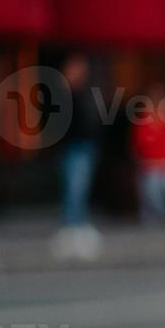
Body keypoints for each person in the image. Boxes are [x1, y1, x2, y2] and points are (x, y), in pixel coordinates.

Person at [52, 53, 104, 262]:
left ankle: (77, 229)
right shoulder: (61, 94)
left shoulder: (83, 92)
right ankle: (71, 230)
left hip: (84, 147)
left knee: (79, 190)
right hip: (72, 148)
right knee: (74, 190)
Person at [130, 82, 165, 227]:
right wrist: (138, 159)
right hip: (149, 163)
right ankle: (155, 217)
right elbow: (138, 141)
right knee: (151, 192)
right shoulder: (144, 118)